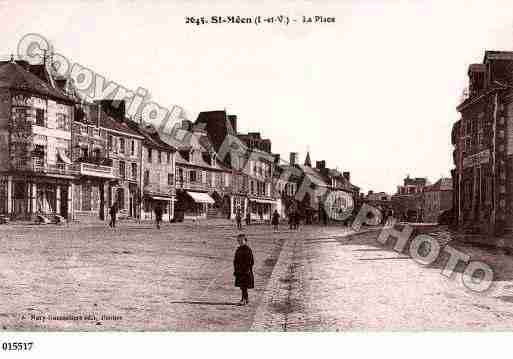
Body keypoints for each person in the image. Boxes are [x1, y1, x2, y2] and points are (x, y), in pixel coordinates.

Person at [233, 234, 254, 306]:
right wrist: (236, 269)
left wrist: (247, 269)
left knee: (244, 286)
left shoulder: (247, 250)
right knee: (242, 286)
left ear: (245, 241)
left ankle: (244, 299)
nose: (240, 242)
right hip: (239, 270)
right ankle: (245, 299)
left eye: (242, 240)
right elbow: (235, 260)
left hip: (245, 271)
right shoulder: (238, 249)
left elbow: (251, 261)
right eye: (238, 240)